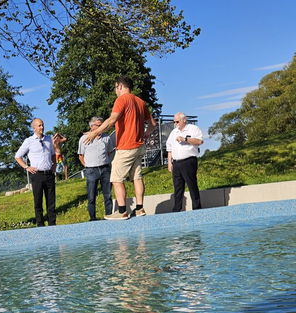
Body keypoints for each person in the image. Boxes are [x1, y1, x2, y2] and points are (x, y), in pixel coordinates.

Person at [84, 76, 156, 220]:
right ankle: (140, 209)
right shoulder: (141, 102)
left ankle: (122, 211)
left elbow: (112, 119)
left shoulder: (121, 100)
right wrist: (146, 135)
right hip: (139, 146)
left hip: (126, 146)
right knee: (137, 177)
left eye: (116, 87)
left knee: (116, 179)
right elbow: (153, 124)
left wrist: (95, 132)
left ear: (120, 87)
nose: (115, 91)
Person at [15, 118, 66, 226]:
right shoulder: (29, 141)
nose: (42, 127)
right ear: (34, 128)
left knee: (51, 201)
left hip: (49, 174)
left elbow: (54, 154)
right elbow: (18, 156)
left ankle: (52, 224)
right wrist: (26, 167)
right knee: (38, 201)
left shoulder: (49, 139)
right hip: (36, 175)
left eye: (42, 125)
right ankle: (40, 225)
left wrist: (54, 165)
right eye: (39, 125)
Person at [78, 116, 115, 221]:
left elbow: (110, 152)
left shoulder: (106, 137)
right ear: (92, 126)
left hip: (105, 168)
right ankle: (93, 218)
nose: (101, 127)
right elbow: (81, 155)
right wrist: (87, 165)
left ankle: (109, 216)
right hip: (91, 170)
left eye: (102, 125)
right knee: (91, 196)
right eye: (99, 125)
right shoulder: (84, 139)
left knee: (107, 194)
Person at [166, 112, 204, 212]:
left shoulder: (193, 129)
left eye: (177, 121)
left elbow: (199, 141)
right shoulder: (174, 132)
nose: (175, 123)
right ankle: (177, 210)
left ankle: (197, 208)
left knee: (192, 185)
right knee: (178, 187)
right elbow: (169, 148)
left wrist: (185, 139)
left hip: (189, 161)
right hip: (176, 163)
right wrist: (169, 162)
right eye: (174, 122)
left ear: (184, 120)